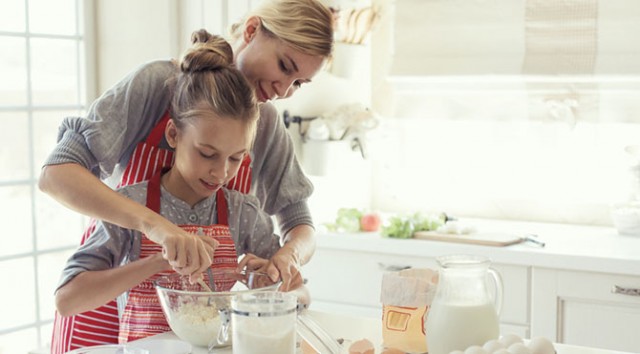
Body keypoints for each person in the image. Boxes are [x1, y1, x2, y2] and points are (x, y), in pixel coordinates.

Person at [42, 0, 333, 351]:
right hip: (109, 289)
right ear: (252, 30)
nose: (283, 89)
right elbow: (56, 174)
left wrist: (288, 258)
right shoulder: (159, 84)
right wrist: (157, 230)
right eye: (284, 66)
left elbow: (300, 223)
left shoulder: (265, 125)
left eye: (298, 83)